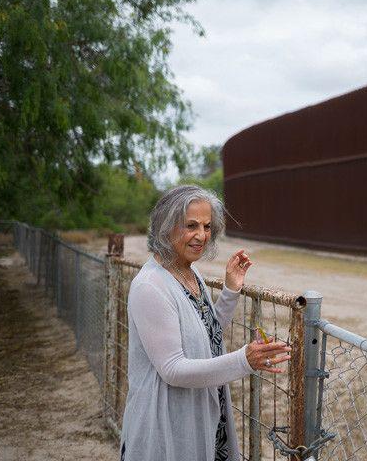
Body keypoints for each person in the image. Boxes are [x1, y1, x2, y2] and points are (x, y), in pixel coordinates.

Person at [120, 185, 291, 461]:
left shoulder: (188, 272)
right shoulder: (150, 286)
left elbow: (207, 334)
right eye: (191, 225)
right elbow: (173, 369)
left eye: (207, 226)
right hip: (168, 424)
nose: (202, 235)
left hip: (200, 412)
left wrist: (230, 290)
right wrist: (243, 360)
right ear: (166, 226)